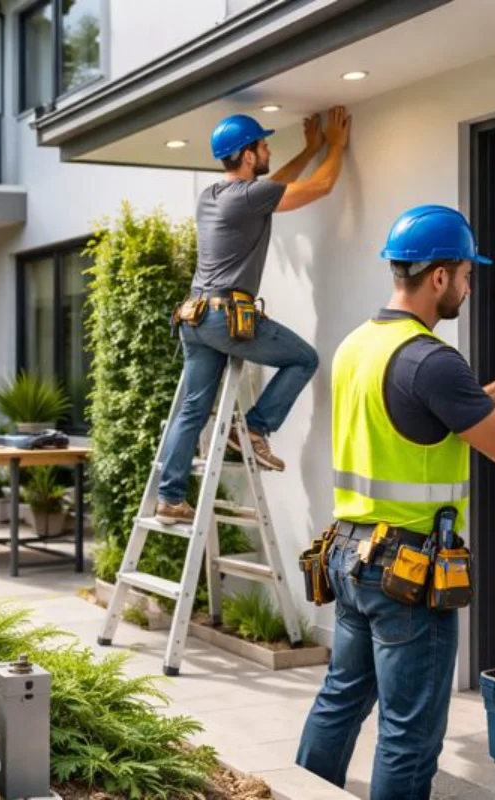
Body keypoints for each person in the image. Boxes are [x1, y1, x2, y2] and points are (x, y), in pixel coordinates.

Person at [295, 205, 495, 798]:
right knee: (408, 735)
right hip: (406, 576)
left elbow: (421, 416)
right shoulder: (432, 358)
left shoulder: (358, 344)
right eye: (466, 275)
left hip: (350, 555)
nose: (468, 287)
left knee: (341, 699)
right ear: (438, 276)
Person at [156, 107, 353, 524]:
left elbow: (272, 185)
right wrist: (335, 146)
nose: (268, 151)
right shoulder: (249, 198)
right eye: (263, 146)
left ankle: (169, 498)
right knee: (304, 359)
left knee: (193, 409)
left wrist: (309, 149)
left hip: (194, 318)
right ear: (247, 155)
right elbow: (322, 186)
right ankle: (255, 428)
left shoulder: (212, 196)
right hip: (225, 317)